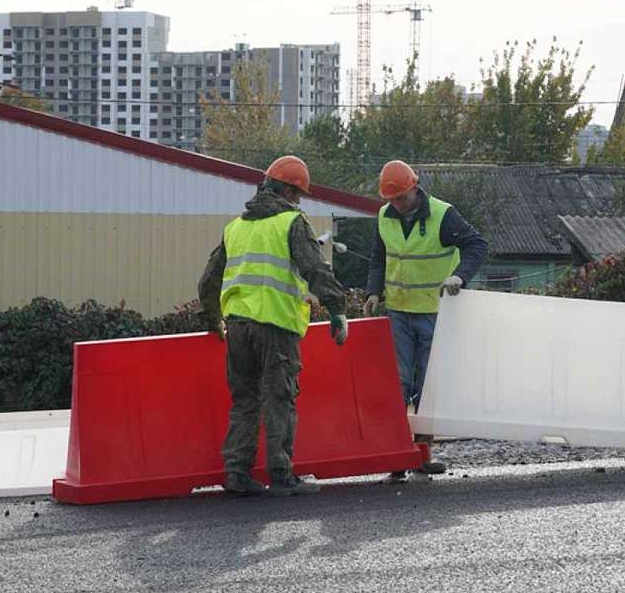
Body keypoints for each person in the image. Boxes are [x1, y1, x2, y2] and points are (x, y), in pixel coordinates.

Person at [198, 155, 349, 497]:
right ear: (288, 192)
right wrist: (338, 309)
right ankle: (281, 476)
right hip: (276, 324)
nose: (299, 202)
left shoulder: (235, 227)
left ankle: (237, 473)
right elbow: (315, 269)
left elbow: (208, 280)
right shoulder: (292, 222)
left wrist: (212, 319)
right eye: (298, 196)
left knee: (245, 399)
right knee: (279, 398)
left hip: (237, 325)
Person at [364, 160, 489, 481]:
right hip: (398, 311)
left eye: (401, 198)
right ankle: (397, 454)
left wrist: (459, 276)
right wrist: (373, 292)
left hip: (434, 313)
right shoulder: (384, 216)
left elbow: (476, 245)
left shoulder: (443, 215)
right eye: (391, 199)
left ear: (415, 188)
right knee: (398, 383)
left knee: (427, 386)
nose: (397, 204)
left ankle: (422, 455)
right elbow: (379, 257)